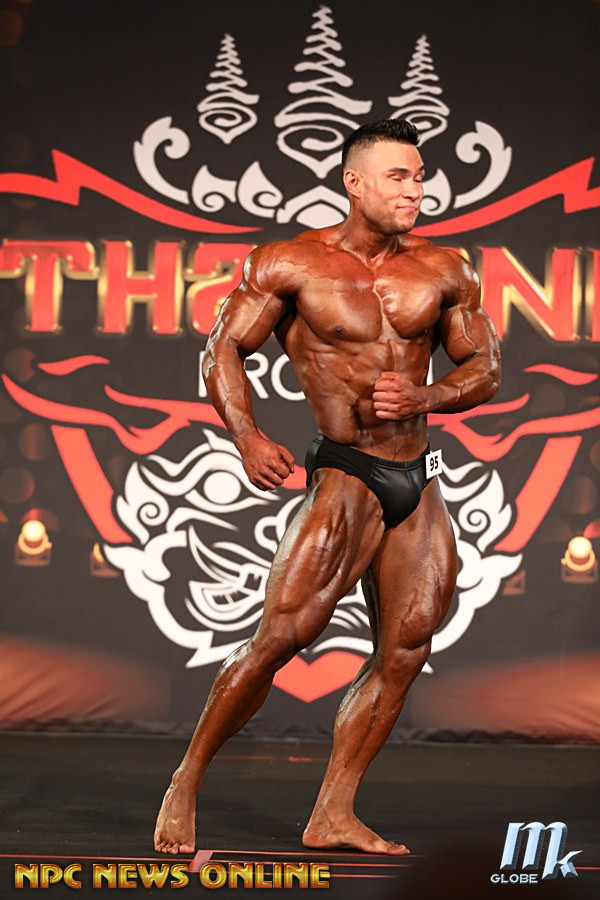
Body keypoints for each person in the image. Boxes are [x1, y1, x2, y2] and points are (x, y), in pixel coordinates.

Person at [154, 118, 500, 856]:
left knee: (407, 648)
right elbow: (223, 348)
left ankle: (333, 811)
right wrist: (248, 436)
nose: (415, 190)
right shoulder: (292, 263)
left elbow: (486, 368)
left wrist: (429, 397)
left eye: (419, 176)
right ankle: (186, 779)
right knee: (282, 637)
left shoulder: (446, 268)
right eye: (398, 177)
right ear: (354, 183)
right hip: (347, 469)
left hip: (418, 476)